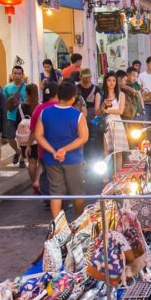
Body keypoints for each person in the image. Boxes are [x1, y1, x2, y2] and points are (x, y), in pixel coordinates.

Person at [35, 81, 88, 218]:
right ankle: (79, 221)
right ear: (73, 97)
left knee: (56, 192)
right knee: (77, 191)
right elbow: (83, 137)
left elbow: (38, 136)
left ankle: (57, 226)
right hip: (73, 159)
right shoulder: (78, 115)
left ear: (58, 95)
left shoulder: (44, 113)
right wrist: (64, 150)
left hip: (51, 158)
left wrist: (54, 151)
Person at [27, 82, 59, 193]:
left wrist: (29, 145)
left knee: (44, 169)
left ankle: (44, 193)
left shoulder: (38, 109)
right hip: (59, 147)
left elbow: (32, 130)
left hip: (43, 147)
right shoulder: (61, 107)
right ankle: (54, 198)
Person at [97, 71, 128, 174]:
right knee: (106, 151)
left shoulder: (121, 94)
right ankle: (105, 175)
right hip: (106, 123)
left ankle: (118, 175)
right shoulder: (101, 94)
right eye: (109, 80)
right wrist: (103, 106)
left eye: (114, 80)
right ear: (105, 81)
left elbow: (120, 111)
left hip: (118, 123)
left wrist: (107, 110)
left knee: (118, 152)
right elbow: (97, 112)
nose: (111, 83)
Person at [2, 65, 28, 167]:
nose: (17, 75)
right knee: (10, 137)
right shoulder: (7, 87)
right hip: (11, 116)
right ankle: (17, 151)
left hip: (22, 117)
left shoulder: (26, 87)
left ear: (22, 75)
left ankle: (22, 159)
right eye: (15, 73)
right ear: (12, 74)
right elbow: (4, 101)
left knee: (23, 139)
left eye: (19, 73)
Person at [20, 84, 40, 189]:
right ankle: (38, 181)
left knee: (30, 162)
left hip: (24, 138)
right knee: (38, 162)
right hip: (37, 138)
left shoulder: (21, 107)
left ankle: (33, 183)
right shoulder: (39, 106)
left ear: (26, 93)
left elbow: (17, 123)